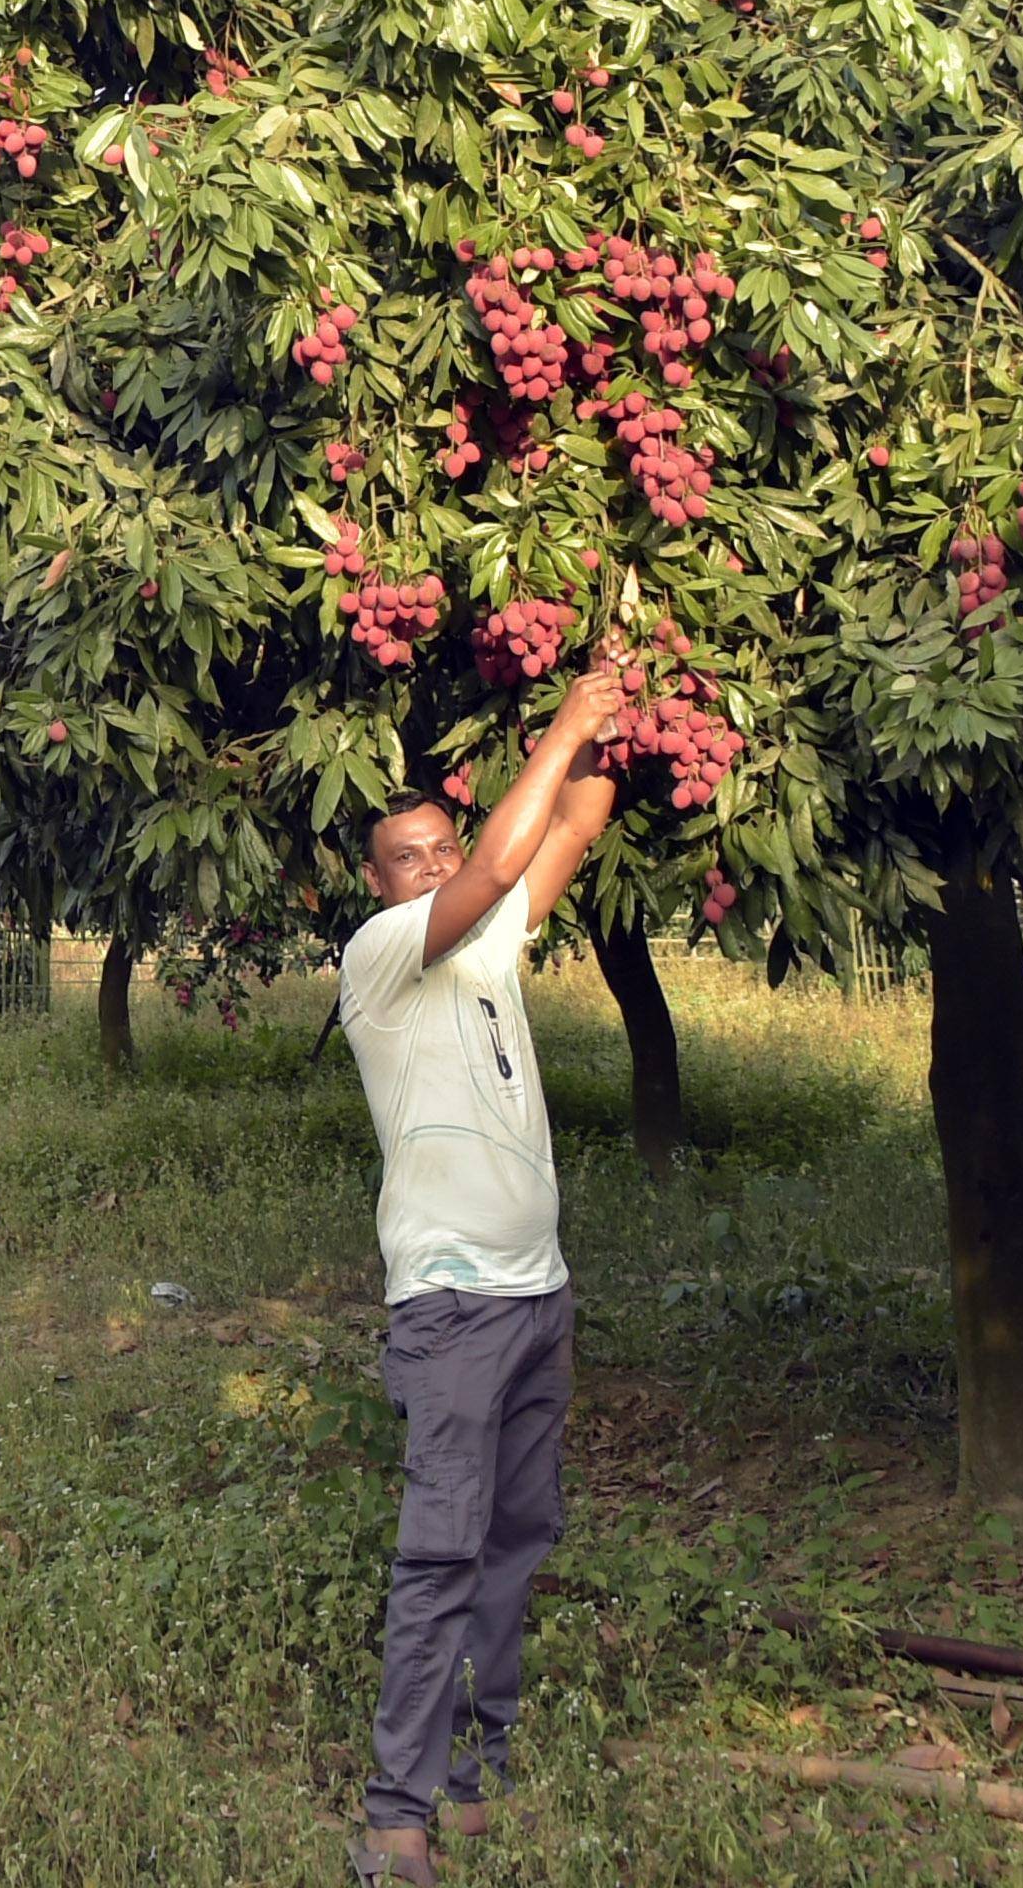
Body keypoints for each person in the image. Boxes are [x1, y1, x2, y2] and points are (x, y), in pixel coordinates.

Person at [336, 651, 630, 1883]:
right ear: (373, 881)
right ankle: (393, 1810)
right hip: (452, 1305)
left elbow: (566, 825)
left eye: (442, 845)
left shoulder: (489, 947)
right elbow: (507, 857)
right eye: (409, 854)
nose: (436, 864)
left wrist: (611, 716)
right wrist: (562, 719)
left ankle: (476, 1770)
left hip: (535, 1294)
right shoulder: (380, 958)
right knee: (440, 1549)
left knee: (515, 1538)